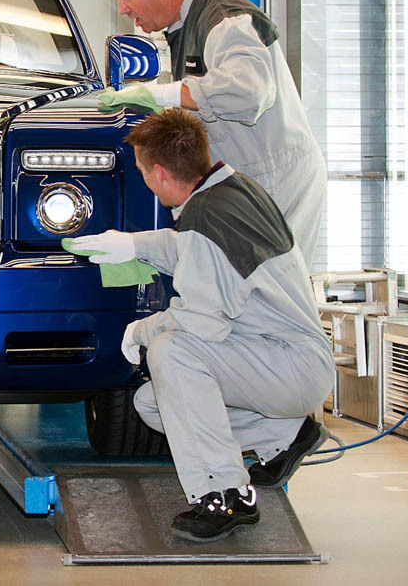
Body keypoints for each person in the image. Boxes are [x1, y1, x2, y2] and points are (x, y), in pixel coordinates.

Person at [70, 109, 333, 543]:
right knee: (152, 406)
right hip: (283, 357)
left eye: (141, 171)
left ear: (160, 172)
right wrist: (131, 245)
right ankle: (285, 433)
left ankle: (225, 495)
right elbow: (198, 253)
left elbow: (200, 324)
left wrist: (139, 333)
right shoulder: (234, 189)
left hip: (288, 364)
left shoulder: (205, 217)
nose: (142, 180)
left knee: (172, 352)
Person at [103, 0, 326, 263]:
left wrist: (161, 93)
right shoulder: (188, 22)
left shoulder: (224, 18)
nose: (122, 9)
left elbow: (249, 91)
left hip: (274, 180)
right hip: (250, 176)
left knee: (260, 299)